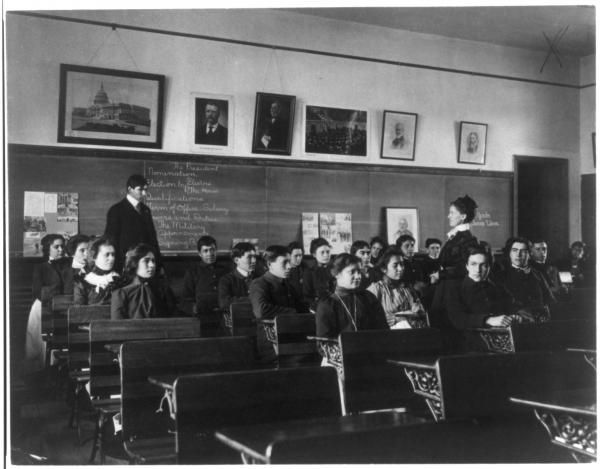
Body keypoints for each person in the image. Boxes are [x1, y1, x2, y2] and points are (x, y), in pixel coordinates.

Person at [442, 245, 516, 351]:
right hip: (467, 344)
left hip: (500, 340)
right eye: (473, 264)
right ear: (467, 266)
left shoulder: (498, 287)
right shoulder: (454, 288)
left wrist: (515, 316)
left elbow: (511, 305)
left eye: (483, 265)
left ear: (489, 266)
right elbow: (457, 319)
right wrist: (488, 320)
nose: (478, 269)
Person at [249, 245, 308, 365]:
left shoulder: (287, 284)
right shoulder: (259, 284)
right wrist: (292, 313)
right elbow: (261, 311)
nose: (289, 266)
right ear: (270, 264)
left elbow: (302, 307)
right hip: (271, 342)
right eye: (284, 262)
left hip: (290, 338)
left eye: (289, 262)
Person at [316, 254, 389, 338]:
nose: (358, 276)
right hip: (343, 350)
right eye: (352, 272)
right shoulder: (328, 305)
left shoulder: (368, 298)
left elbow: (384, 330)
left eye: (359, 272)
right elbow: (324, 342)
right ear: (337, 274)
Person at [25, 234, 66, 374]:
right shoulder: (41, 267)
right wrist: (57, 291)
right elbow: (38, 291)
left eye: (62, 246)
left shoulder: (68, 265)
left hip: (63, 307)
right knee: (40, 343)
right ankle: (42, 371)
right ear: (48, 249)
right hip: (43, 307)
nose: (61, 250)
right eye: (56, 247)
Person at [105, 174, 161, 270]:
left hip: (146, 265)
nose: (144, 193)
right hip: (125, 265)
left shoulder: (145, 210)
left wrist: (159, 264)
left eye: (145, 190)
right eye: (140, 190)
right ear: (130, 189)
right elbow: (111, 240)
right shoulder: (116, 210)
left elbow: (153, 239)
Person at [111, 244, 178, 319]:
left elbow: (174, 320)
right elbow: (117, 327)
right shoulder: (122, 294)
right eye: (146, 261)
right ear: (134, 264)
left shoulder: (163, 290)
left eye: (153, 261)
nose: (152, 265)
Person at [497, 237, 555, 323]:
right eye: (514, 250)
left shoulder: (538, 274)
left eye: (523, 251)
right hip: (516, 322)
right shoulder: (501, 275)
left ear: (530, 254)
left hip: (540, 321)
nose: (518, 254)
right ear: (509, 253)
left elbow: (550, 300)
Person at [367, 248, 426, 329]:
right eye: (395, 265)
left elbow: (421, 313)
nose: (400, 269)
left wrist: (417, 310)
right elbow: (369, 318)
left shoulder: (407, 288)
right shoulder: (376, 289)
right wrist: (400, 318)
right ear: (383, 269)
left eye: (402, 264)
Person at [182, 235, 228, 317]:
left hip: (224, 315)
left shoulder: (226, 271)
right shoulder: (192, 272)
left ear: (216, 251)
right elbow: (185, 299)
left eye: (212, 250)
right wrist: (194, 309)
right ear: (200, 253)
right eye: (205, 251)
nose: (210, 254)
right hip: (202, 317)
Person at [74, 236, 121, 306]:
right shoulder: (82, 281)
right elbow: (79, 311)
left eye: (113, 254)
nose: (111, 258)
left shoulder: (119, 280)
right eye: (107, 255)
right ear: (94, 257)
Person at [218, 242, 257, 311]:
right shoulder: (226, 280)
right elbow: (224, 303)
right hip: (235, 319)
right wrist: (253, 299)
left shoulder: (259, 277)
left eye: (254, 256)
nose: (254, 260)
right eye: (249, 257)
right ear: (236, 260)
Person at [303, 238, 335, 311]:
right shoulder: (309, 273)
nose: (326, 255)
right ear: (314, 254)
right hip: (318, 308)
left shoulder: (335, 270)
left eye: (328, 252)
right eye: (322, 252)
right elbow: (307, 297)